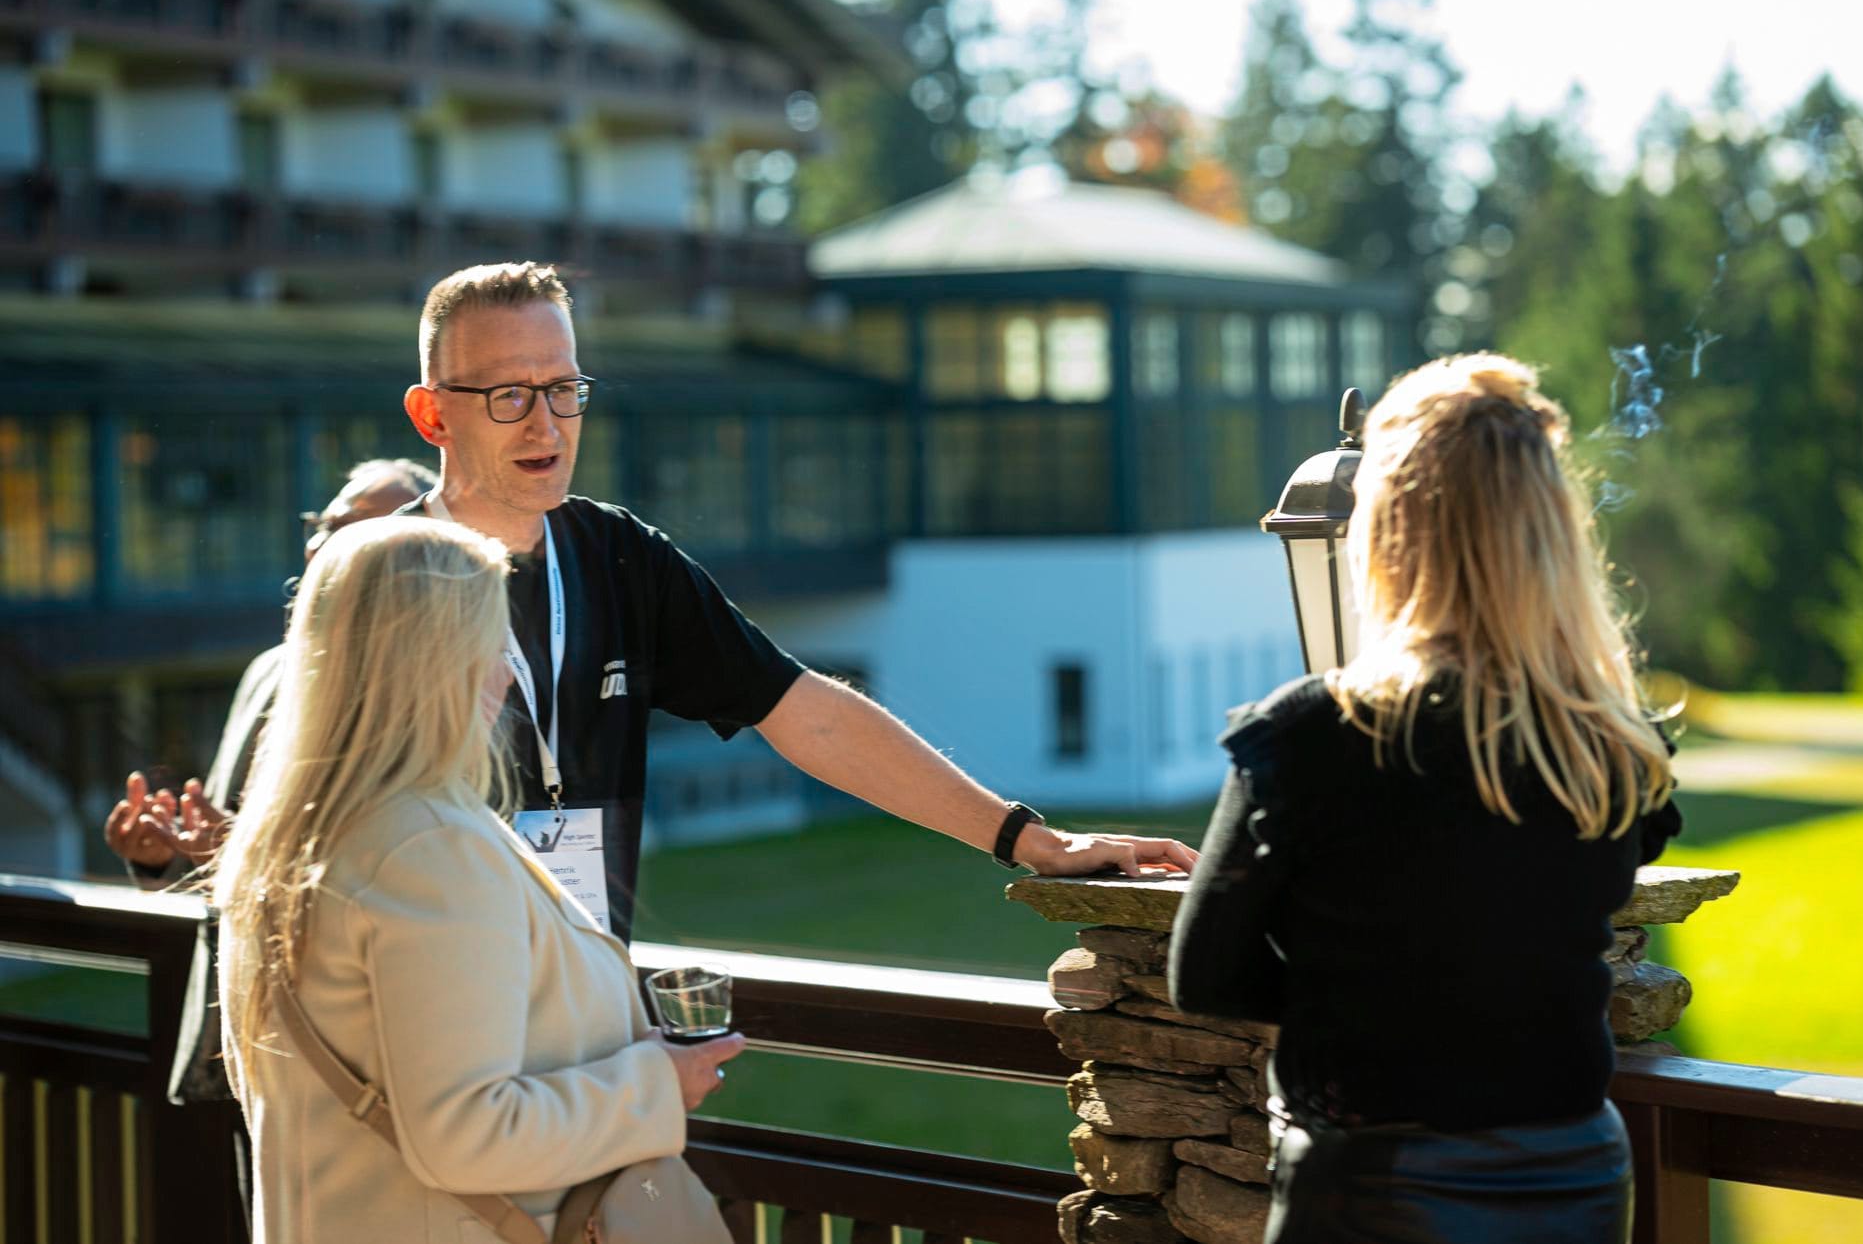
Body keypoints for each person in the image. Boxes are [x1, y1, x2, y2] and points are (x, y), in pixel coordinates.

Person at [395, 262, 1197, 937]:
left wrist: (1031, 840)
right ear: (433, 415)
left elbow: (805, 712)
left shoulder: (620, 557)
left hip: (583, 993)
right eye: (509, 395)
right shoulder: (373, 582)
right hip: (429, 1003)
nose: (546, 424)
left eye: (563, 388)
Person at [1167, 354, 1683, 1244]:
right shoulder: (1612, 744)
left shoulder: (1315, 733)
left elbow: (1206, 976)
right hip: (1577, 1170)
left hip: (1378, 1179)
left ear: (1389, 533)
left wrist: (1371, 998)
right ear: (1551, 532)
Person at [214, 515, 743, 1242]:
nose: (505, 671)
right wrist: (658, 1084)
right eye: (494, 642)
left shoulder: (295, 838)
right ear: (441, 658)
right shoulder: (428, 847)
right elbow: (466, 1132)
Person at [104, 458, 438, 890]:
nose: (318, 545)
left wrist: (242, 852)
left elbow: (402, 875)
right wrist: (161, 859)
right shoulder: (269, 670)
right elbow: (215, 848)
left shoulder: (442, 689)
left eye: (353, 530)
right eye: (323, 525)